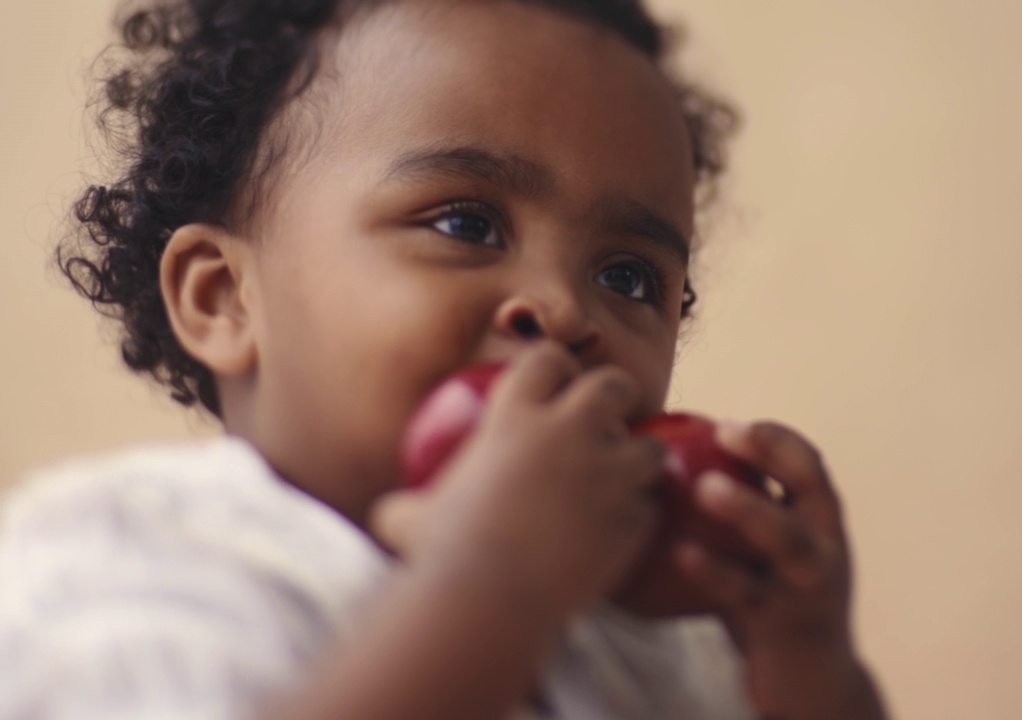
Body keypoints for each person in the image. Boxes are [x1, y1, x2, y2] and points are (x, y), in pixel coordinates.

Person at [0, 1, 888, 718]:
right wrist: (491, 595)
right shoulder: (119, 564)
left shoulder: (646, 633)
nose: (564, 308)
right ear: (224, 297)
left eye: (627, 276)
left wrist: (810, 671)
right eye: (466, 223)